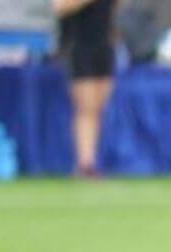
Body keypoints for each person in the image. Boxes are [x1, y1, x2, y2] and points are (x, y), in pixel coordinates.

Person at [54, 0, 117, 177]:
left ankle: (92, 159)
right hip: (80, 46)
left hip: (104, 45)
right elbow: (59, 7)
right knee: (86, 108)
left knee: (99, 108)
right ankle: (84, 162)